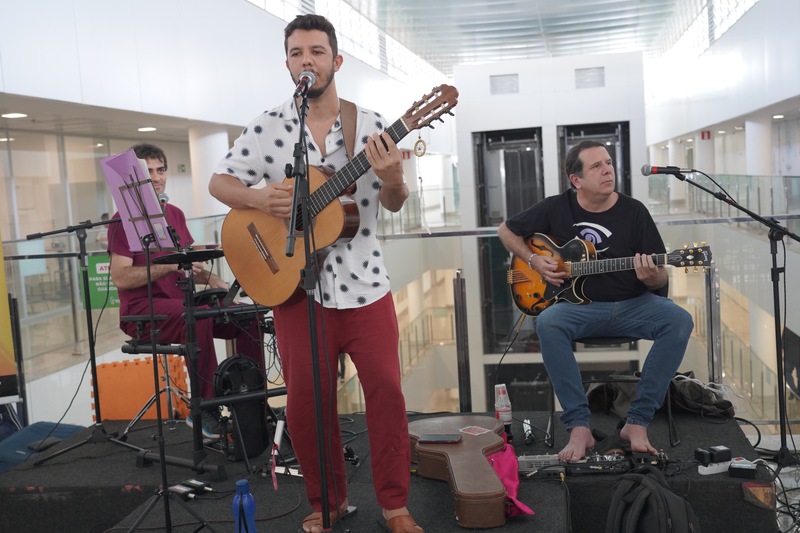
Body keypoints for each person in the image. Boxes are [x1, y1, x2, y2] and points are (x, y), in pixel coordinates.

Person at [208, 14, 422, 533]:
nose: (308, 60)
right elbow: (219, 182)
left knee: (388, 397)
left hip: (367, 286)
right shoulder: (267, 124)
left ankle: (394, 505)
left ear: (336, 60)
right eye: (298, 52)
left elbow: (393, 203)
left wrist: (393, 177)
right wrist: (262, 198)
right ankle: (326, 503)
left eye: (318, 52)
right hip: (297, 292)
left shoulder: (370, 124)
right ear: (288, 63)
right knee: (306, 407)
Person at [497, 140, 694, 463]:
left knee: (679, 320)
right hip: (579, 308)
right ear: (576, 180)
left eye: (609, 163)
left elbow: (659, 276)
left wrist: (652, 277)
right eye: (597, 166)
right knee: (548, 322)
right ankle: (578, 426)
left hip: (634, 304)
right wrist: (533, 260)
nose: (608, 170)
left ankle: (637, 422)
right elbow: (506, 231)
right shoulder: (555, 207)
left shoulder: (634, 212)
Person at [107, 143, 264, 437]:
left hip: (183, 304)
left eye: (160, 170)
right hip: (141, 312)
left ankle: (252, 398)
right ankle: (205, 407)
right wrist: (169, 266)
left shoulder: (175, 214)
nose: (156, 177)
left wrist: (213, 281)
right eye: (148, 171)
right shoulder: (121, 220)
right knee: (199, 317)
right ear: (133, 179)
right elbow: (121, 277)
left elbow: (186, 264)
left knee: (248, 315)